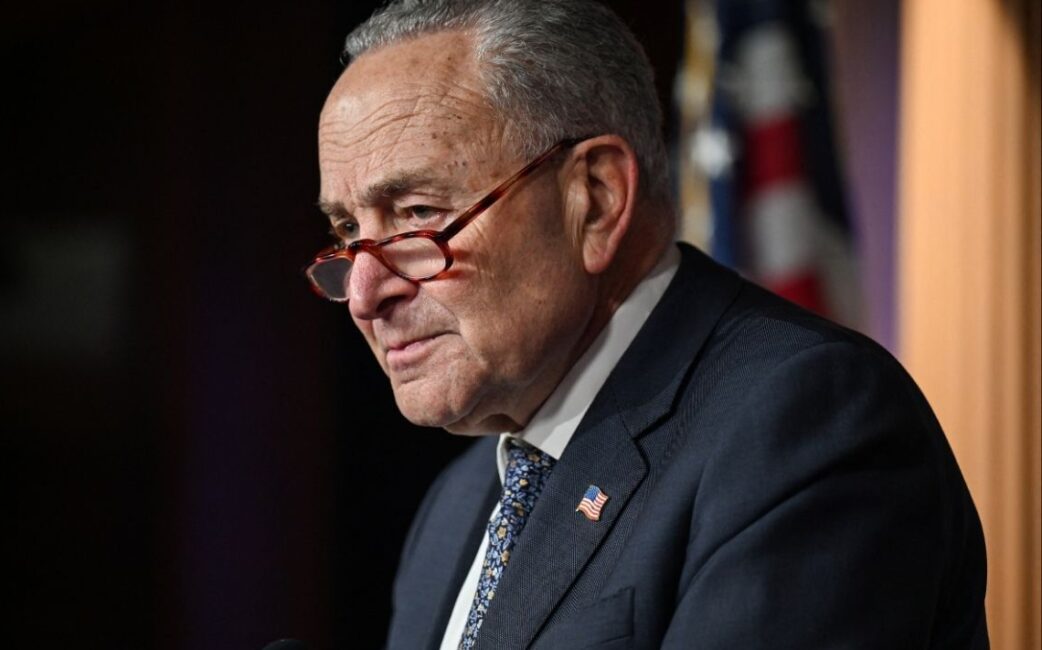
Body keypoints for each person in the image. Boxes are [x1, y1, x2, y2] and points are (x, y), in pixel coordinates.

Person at [303, 1, 989, 648]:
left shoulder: (804, 425)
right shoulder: (455, 507)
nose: (364, 292)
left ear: (596, 199)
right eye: (345, 231)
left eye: (419, 214)